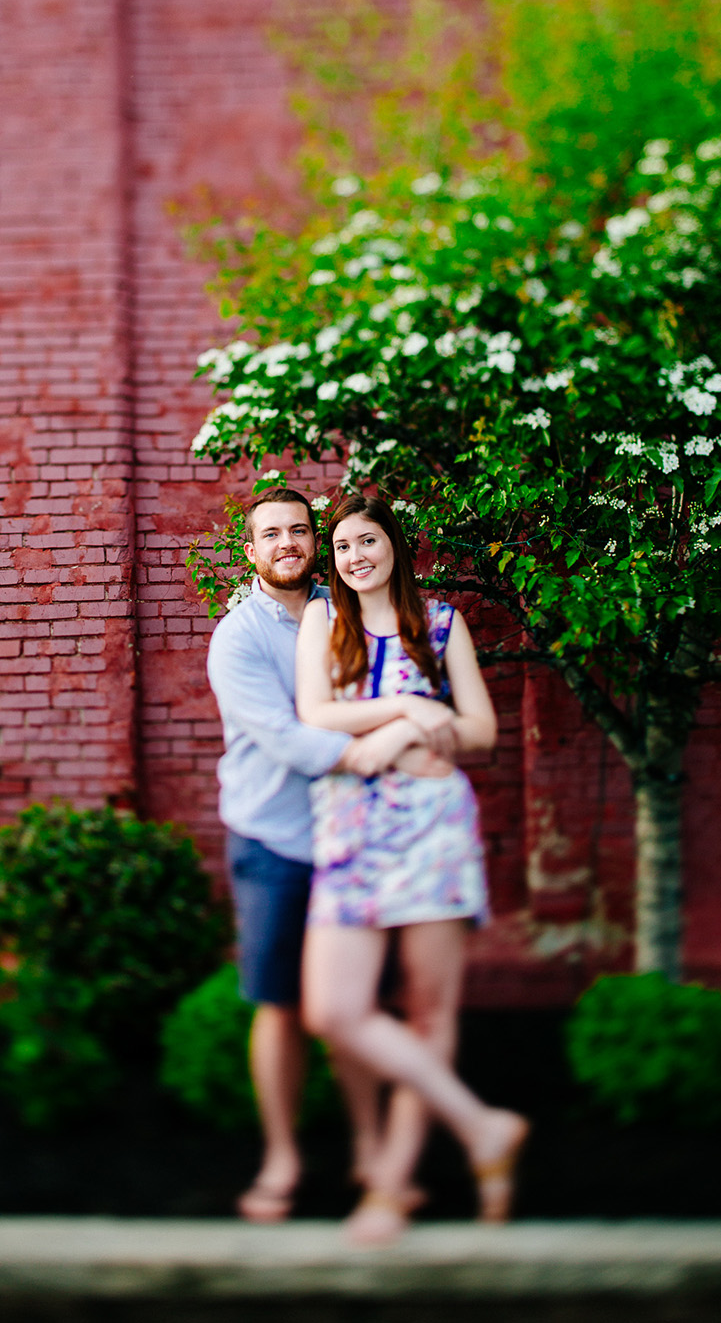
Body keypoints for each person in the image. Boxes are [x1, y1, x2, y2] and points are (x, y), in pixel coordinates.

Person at [206, 486, 447, 1224]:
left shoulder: (346, 610)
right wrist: (384, 747)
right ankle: (282, 1156)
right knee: (280, 1005)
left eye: (299, 532)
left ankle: (371, 1152)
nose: (287, 543)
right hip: (275, 843)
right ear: (250, 551)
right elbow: (287, 739)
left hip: (353, 836)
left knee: (355, 1007)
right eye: (270, 534)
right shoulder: (238, 637)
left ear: (316, 541)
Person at [295, 494, 529, 1246]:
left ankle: (391, 1189)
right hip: (353, 829)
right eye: (342, 547)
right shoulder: (321, 622)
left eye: (368, 541)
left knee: (431, 1014)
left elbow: (482, 732)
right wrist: (406, 714)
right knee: (332, 1010)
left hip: (432, 826)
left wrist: (409, 732)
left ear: (395, 544)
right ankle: (482, 1126)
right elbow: (313, 713)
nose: (354, 556)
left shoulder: (444, 623)